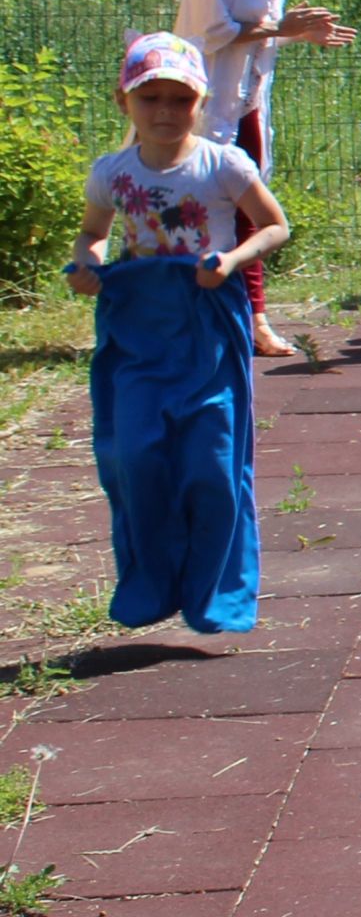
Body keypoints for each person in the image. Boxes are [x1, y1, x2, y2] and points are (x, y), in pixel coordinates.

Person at [68, 33, 290, 634]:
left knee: (211, 465)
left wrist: (232, 261)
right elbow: (92, 234)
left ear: (201, 102)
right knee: (136, 455)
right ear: (125, 103)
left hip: (206, 325)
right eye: (151, 99)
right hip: (138, 329)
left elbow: (274, 226)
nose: (165, 111)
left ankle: (217, 593)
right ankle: (149, 581)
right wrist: (86, 265)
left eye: (179, 99)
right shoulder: (112, 173)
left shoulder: (222, 163)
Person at [172, 0, 355, 357]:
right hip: (209, 104)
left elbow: (262, 32)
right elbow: (209, 32)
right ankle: (195, 317)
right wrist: (280, 26)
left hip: (248, 104)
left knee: (248, 210)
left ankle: (254, 319)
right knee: (199, 209)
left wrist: (298, 34)